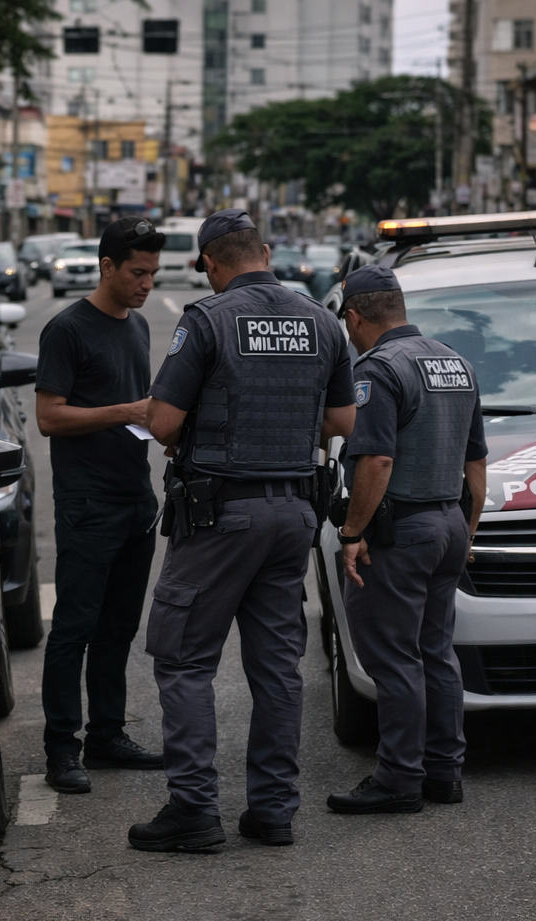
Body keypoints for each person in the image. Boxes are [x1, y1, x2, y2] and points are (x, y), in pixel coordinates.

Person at [130, 209, 357, 852]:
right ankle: (274, 810)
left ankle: (194, 811)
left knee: (183, 660)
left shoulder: (207, 319)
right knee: (278, 669)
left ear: (209, 263)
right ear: (266, 253)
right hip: (294, 514)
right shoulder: (321, 320)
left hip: (221, 516)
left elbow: (163, 423)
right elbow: (343, 420)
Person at [325, 265, 486, 815]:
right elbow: (476, 463)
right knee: (435, 652)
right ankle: (444, 772)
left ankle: (398, 778)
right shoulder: (455, 362)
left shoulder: (378, 369)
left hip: (401, 533)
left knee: (394, 658)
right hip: (448, 523)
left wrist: (353, 532)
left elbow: (377, 460)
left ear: (353, 317)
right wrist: (466, 530)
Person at [35, 215, 169, 795]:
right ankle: (62, 748)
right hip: (87, 503)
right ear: (107, 266)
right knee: (74, 628)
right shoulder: (67, 329)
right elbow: (49, 417)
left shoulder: (137, 327)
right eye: (138, 272)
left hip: (135, 496)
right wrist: (127, 411)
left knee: (118, 629)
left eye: (153, 273)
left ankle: (107, 735)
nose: (147, 284)